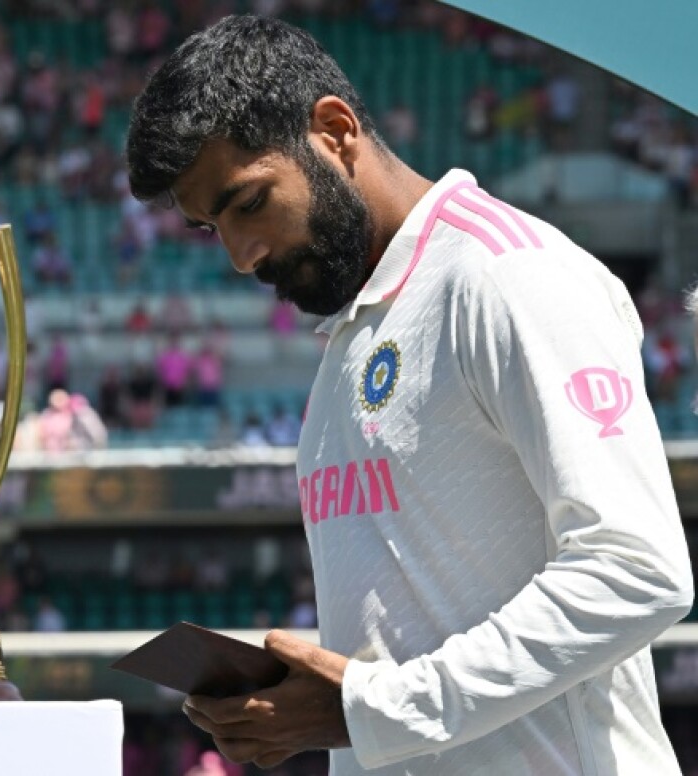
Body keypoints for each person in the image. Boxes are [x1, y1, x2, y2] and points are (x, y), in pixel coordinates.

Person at [126, 15, 692, 775]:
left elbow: (637, 570)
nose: (239, 255)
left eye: (249, 203)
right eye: (209, 228)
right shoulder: (352, 334)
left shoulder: (507, 276)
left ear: (334, 130)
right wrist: (301, 708)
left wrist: (378, 708)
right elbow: (392, 655)